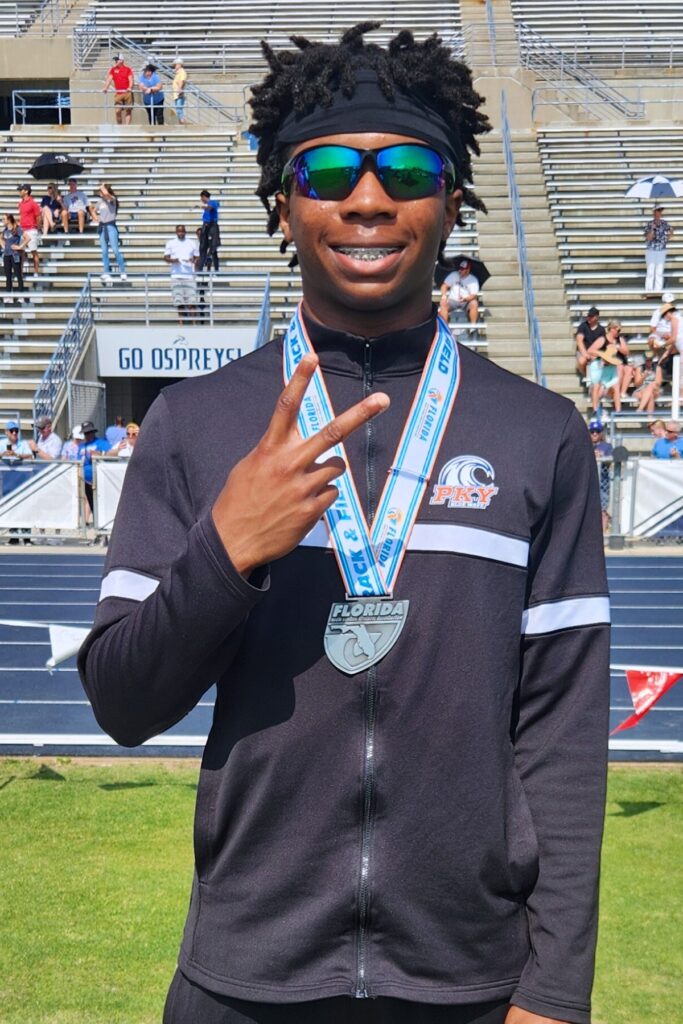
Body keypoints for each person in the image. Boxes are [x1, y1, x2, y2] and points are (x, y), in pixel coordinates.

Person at [79, 25, 609, 1024]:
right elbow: (120, 701)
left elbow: (563, 737)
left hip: (469, 986)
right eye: (327, 170)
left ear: (451, 200)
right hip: (241, 983)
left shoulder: (540, 434)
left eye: (407, 167)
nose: (368, 198)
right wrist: (225, 552)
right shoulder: (195, 426)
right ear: (282, 205)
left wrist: (553, 991)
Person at [89, 182, 128, 284]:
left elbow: (107, 195)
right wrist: (95, 217)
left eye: (101, 191)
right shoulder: (100, 202)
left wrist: (103, 187)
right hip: (102, 227)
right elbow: (92, 210)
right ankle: (107, 272)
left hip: (111, 227)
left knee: (115, 250)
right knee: (104, 251)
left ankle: (123, 271)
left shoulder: (112, 200)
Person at [586, 318, 622, 414]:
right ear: (612, 328)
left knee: (615, 386)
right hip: (598, 384)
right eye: (618, 330)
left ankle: (618, 412)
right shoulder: (602, 340)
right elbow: (590, 350)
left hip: (606, 386)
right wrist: (602, 354)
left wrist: (605, 386)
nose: (619, 332)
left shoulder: (617, 340)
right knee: (597, 385)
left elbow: (615, 379)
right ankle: (595, 408)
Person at [164, 224, 198, 324]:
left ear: (185, 232)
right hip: (176, 275)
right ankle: (181, 323)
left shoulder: (192, 243)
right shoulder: (171, 243)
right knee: (179, 302)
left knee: (192, 301)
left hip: (189, 276)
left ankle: (194, 323)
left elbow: (197, 257)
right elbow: (165, 257)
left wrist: (193, 260)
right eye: (179, 232)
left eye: (182, 231)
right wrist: (173, 260)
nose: (181, 233)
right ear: (176, 232)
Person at [77, 421, 110, 519]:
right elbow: (78, 460)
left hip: (98, 478)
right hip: (84, 479)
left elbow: (110, 455)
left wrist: (100, 454)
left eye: (89, 432)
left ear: (93, 432)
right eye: (85, 433)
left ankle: (101, 522)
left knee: (100, 501)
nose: (88, 435)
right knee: (90, 501)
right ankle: (94, 521)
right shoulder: (81, 446)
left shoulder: (102, 443)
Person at [438, 257, 479, 327]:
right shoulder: (454, 275)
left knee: (474, 303)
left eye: (462, 269)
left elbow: (473, 295)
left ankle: (473, 327)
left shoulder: (473, 280)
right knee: (443, 303)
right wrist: (444, 296)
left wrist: (465, 299)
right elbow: (444, 286)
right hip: (452, 300)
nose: (460, 271)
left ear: (468, 270)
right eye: (460, 269)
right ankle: (445, 326)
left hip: (466, 301)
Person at [588, 419, 613, 532]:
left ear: (601, 433)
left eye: (597, 431)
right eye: (592, 431)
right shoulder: (585, 445)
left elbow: (611, 462)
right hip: (588, 481)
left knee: (602, 508)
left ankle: (603, 534)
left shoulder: (606, 446)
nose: (594, 434)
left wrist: (602, 456)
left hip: (602, 481)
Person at [643, 204, 673, 295]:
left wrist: (667, 238)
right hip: (651, 250)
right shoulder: (649, 224)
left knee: (659, 271)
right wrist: (652, 229)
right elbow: (649, 238)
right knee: (650, 271)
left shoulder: (665, 223)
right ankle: (648, 291)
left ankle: (658, 291)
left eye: (660, 211)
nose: (660, 213)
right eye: (658, 211)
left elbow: (671, 231)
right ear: (654, 212)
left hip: (661, 250)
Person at [103, 53, 134, 126]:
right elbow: (109, 79)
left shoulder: (127, 69)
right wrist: (105, 87)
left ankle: (127, 127)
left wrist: (130, 87)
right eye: (115, 60)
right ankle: (120, 126)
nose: (116, 61)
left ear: (121, 60)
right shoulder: (113, 70)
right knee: (117, 111)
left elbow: (131, 80)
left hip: (127, 93)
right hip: (118, 93)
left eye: (117, 59)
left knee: (128, 110)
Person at [17, 184, 41, 277]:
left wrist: (37, 228)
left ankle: (36, 272)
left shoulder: (33, 203)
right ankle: (21, 273)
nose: (20, 192)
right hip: (23, 230)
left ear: (26, 191)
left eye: (21, 190)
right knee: (21, 252)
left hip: (31, 229)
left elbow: (38, 217)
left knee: (33, 251)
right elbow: (22, 216)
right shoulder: (21, 203)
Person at [575, 306, 604, 376]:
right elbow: (579, 341)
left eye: (591, 316)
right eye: (588, 316)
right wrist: (585, 354)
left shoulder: (601, 329)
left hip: (595, 353)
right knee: (582, 361)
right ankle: (586, 375)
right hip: (583, 351)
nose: (589, 318)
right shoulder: (583, 326)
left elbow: (602, 344)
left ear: (596, 317)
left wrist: (596, 354)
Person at [198, 190, 221, 272]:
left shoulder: (212, 203)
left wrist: (202, 207)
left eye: (201, 198)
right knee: (202, 248)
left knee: (213, 248)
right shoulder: (208, 204)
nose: (201, 200)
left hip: (212, 226)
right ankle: (200, 269)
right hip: (206, 225)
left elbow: (210, 208)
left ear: (204, 196)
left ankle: (216, 269)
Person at [2, 213, 24, 296]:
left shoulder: (17, 229)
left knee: (18, 274)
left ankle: (21, 295)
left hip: (15, 255)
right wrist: (4, 246)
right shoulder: (5, 230)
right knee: (8, 276)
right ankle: (9, 295)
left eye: (4, 219)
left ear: (8, 220)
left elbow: (27, 237)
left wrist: (20, 246)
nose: (3, 220)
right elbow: (1, 238)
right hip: (6, 255)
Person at [172, 58, 188, 125]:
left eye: (175, 65)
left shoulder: (182, 72)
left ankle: (183, 123)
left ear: (179, 65)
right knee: (178, 110)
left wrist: (179, 89)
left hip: (179, 94)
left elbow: (182, 81)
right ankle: (181, 123)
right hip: (176, 94)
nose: (174, 67)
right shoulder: (177, 73)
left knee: (179, 109)